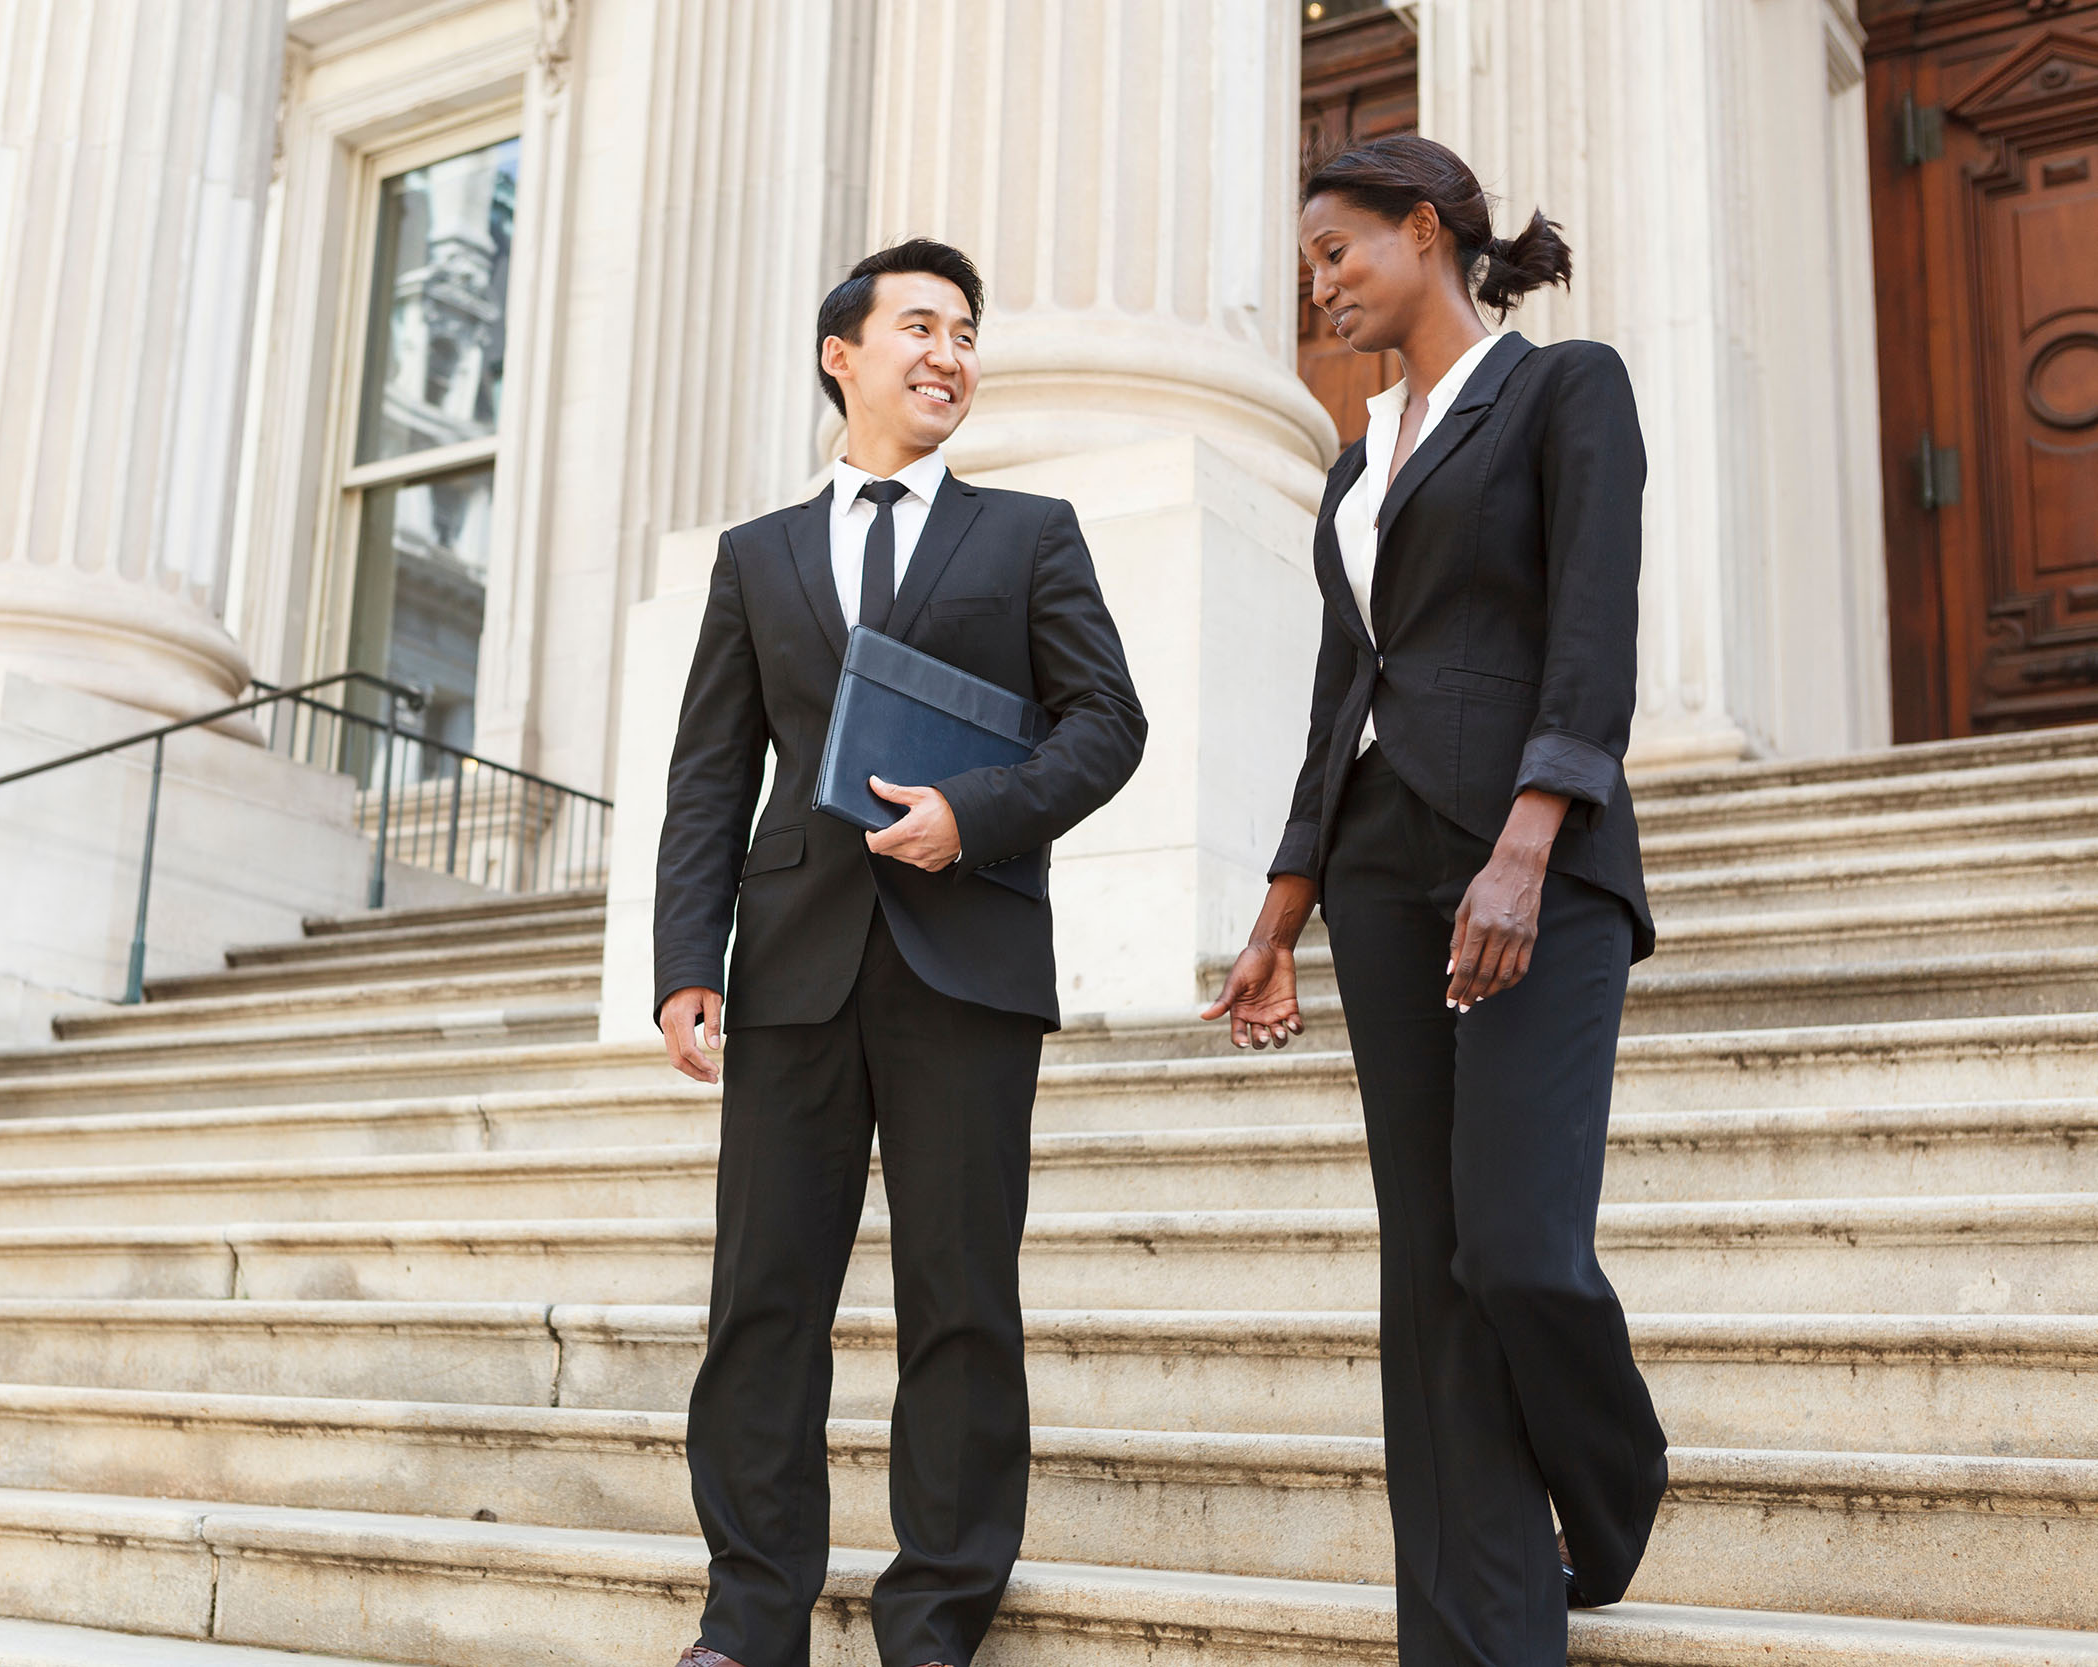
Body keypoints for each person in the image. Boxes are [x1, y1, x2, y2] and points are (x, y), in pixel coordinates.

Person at [1203, 136, 1669, 1664]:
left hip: (1527, 862)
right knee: (1430, 1268)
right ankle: (1473, 1634)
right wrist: (1282, 908)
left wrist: (1532, 839)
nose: (1318, 286)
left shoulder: (1562, 388)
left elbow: (1590, 626)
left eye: (1337, 252)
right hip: (1384, 872)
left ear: (1424, 231)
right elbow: (1346, 683)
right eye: (1305, 267)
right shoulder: (1354, 458)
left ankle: (1612, 1493)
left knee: (1517, 1248)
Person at [653, 238, 1145, 1667]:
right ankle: (749, 1621)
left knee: (960, 1302)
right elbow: (707, 775)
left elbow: (1106, 724)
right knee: (762, 1304)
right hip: (793, 964)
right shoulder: (758, 559)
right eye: (920, 327)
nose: (950, 353)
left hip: (968, 963)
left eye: (968, 333)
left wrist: (971, 816)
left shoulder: (1031, 535)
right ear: (843, 356)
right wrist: (691, 959)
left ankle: (933, 1621)